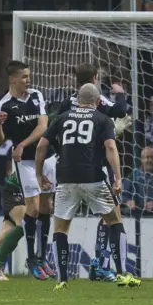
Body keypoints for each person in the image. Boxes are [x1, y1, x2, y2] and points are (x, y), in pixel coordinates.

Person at [36, 83, 140, 290]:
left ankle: (61, 280)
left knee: (61, 229)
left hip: (65, 178)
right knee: (114, 220)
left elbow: (41, 145)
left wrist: (39, 174)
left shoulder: (62, 117)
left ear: (78, 99)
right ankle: (121, 274)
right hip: (92, 176)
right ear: (98, 101)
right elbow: (110, 147)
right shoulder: (102, 119)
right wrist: (118, 178)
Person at [56, 62, 131, 282]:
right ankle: (102, 264)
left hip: (67, 168)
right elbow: (119, 110)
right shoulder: (96, 99)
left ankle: (62, 275)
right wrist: (120, 94)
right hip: (95, 168)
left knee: (62, 226)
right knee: (113, 216)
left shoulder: (66, 102)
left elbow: (55, 130)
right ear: (95, 79)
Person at [0, 60, 56, 280]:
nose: (28, 80)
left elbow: (43, 126)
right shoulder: (4, 105)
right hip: (26, 163)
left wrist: (21, 144)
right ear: (12, 79)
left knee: (47, 206)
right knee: (34, 208)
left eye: (28, 76)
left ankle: (43, 257)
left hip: (46, 157)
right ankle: (31, 259)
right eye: (24, 77)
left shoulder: (36, 95)